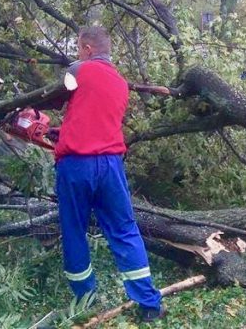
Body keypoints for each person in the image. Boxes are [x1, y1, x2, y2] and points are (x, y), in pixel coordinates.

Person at [43, 26, 164, 322]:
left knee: (74, 230)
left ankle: (86, 299)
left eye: (78, 49)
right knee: (124, 230)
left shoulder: (78, 70)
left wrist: (21, 109)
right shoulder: (121, 83)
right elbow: (94, 117)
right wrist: (64, 131)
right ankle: (149, 303)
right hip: (110, 165)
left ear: (86, 49)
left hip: (76, 166)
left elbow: (50, 98)